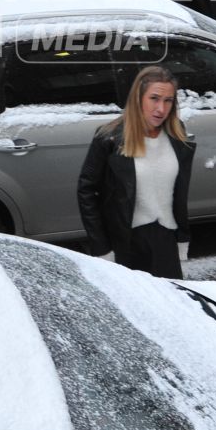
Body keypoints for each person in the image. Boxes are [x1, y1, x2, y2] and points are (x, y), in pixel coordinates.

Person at [76, 65, 197, 278]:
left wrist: (182, 236)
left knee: (170, 303)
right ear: (138, 98)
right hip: (126, 241)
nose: (161, 108)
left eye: (168, 100)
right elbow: (87, 191)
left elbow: (179, 192)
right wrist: (101, 247)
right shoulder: (109, 137)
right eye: (154, 98)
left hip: (165, 239)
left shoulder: (177, 134)